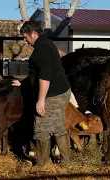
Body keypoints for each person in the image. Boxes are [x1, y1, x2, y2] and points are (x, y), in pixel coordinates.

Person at [13, 20, 72, 169]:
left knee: (41, 128)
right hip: (59, 90)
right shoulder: (45, 44)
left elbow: (45, 75)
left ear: (34, 34)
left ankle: (42, 164)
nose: (24, 40)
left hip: (52, 94)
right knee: (57, 126)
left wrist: (41, 100)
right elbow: (39, 72)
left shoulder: (42, 49)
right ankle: (65, 162)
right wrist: (24, 83)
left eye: (25, 36)